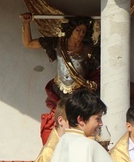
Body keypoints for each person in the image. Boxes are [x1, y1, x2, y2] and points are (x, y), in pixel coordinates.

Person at [21, 13, 100, 144]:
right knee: (59, 122)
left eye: (83, 31)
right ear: (71, 30)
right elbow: (29, 43)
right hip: (59, 91)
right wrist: (26, 24)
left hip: (80, 93)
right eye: (78, 30)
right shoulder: (58, 43)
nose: (80, 34)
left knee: (79, 124)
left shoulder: (90, 49)